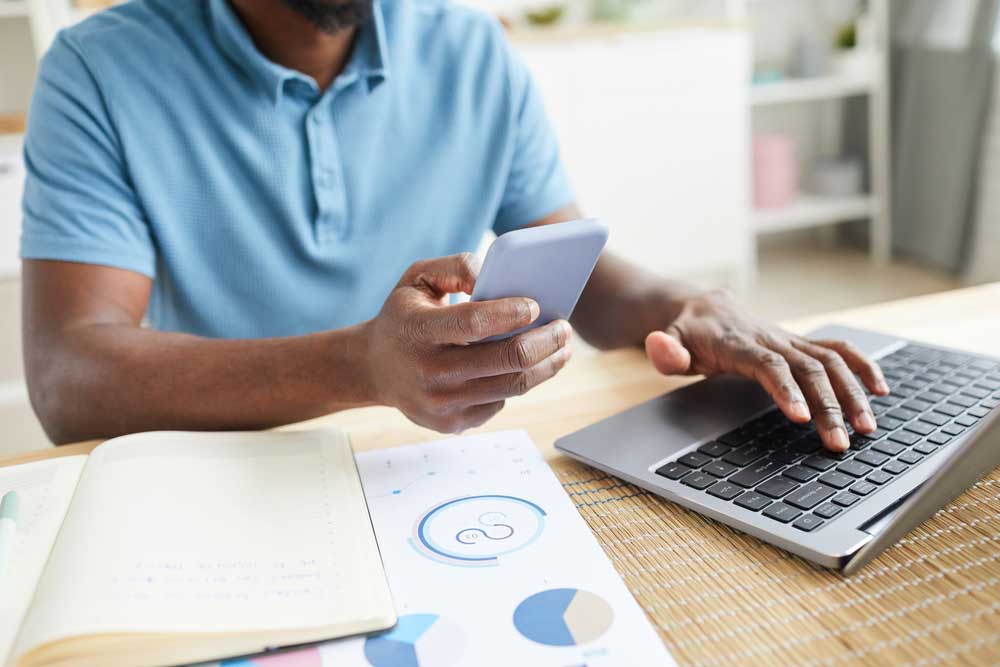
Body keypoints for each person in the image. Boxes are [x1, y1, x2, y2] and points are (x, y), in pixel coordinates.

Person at [20, 0, 888, 449]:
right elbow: (69, 378)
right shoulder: (97, 71)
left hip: (435, 469)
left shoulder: (471, 48)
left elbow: (576, 267)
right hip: (216, 466)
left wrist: (692, 303)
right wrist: (361, 361)